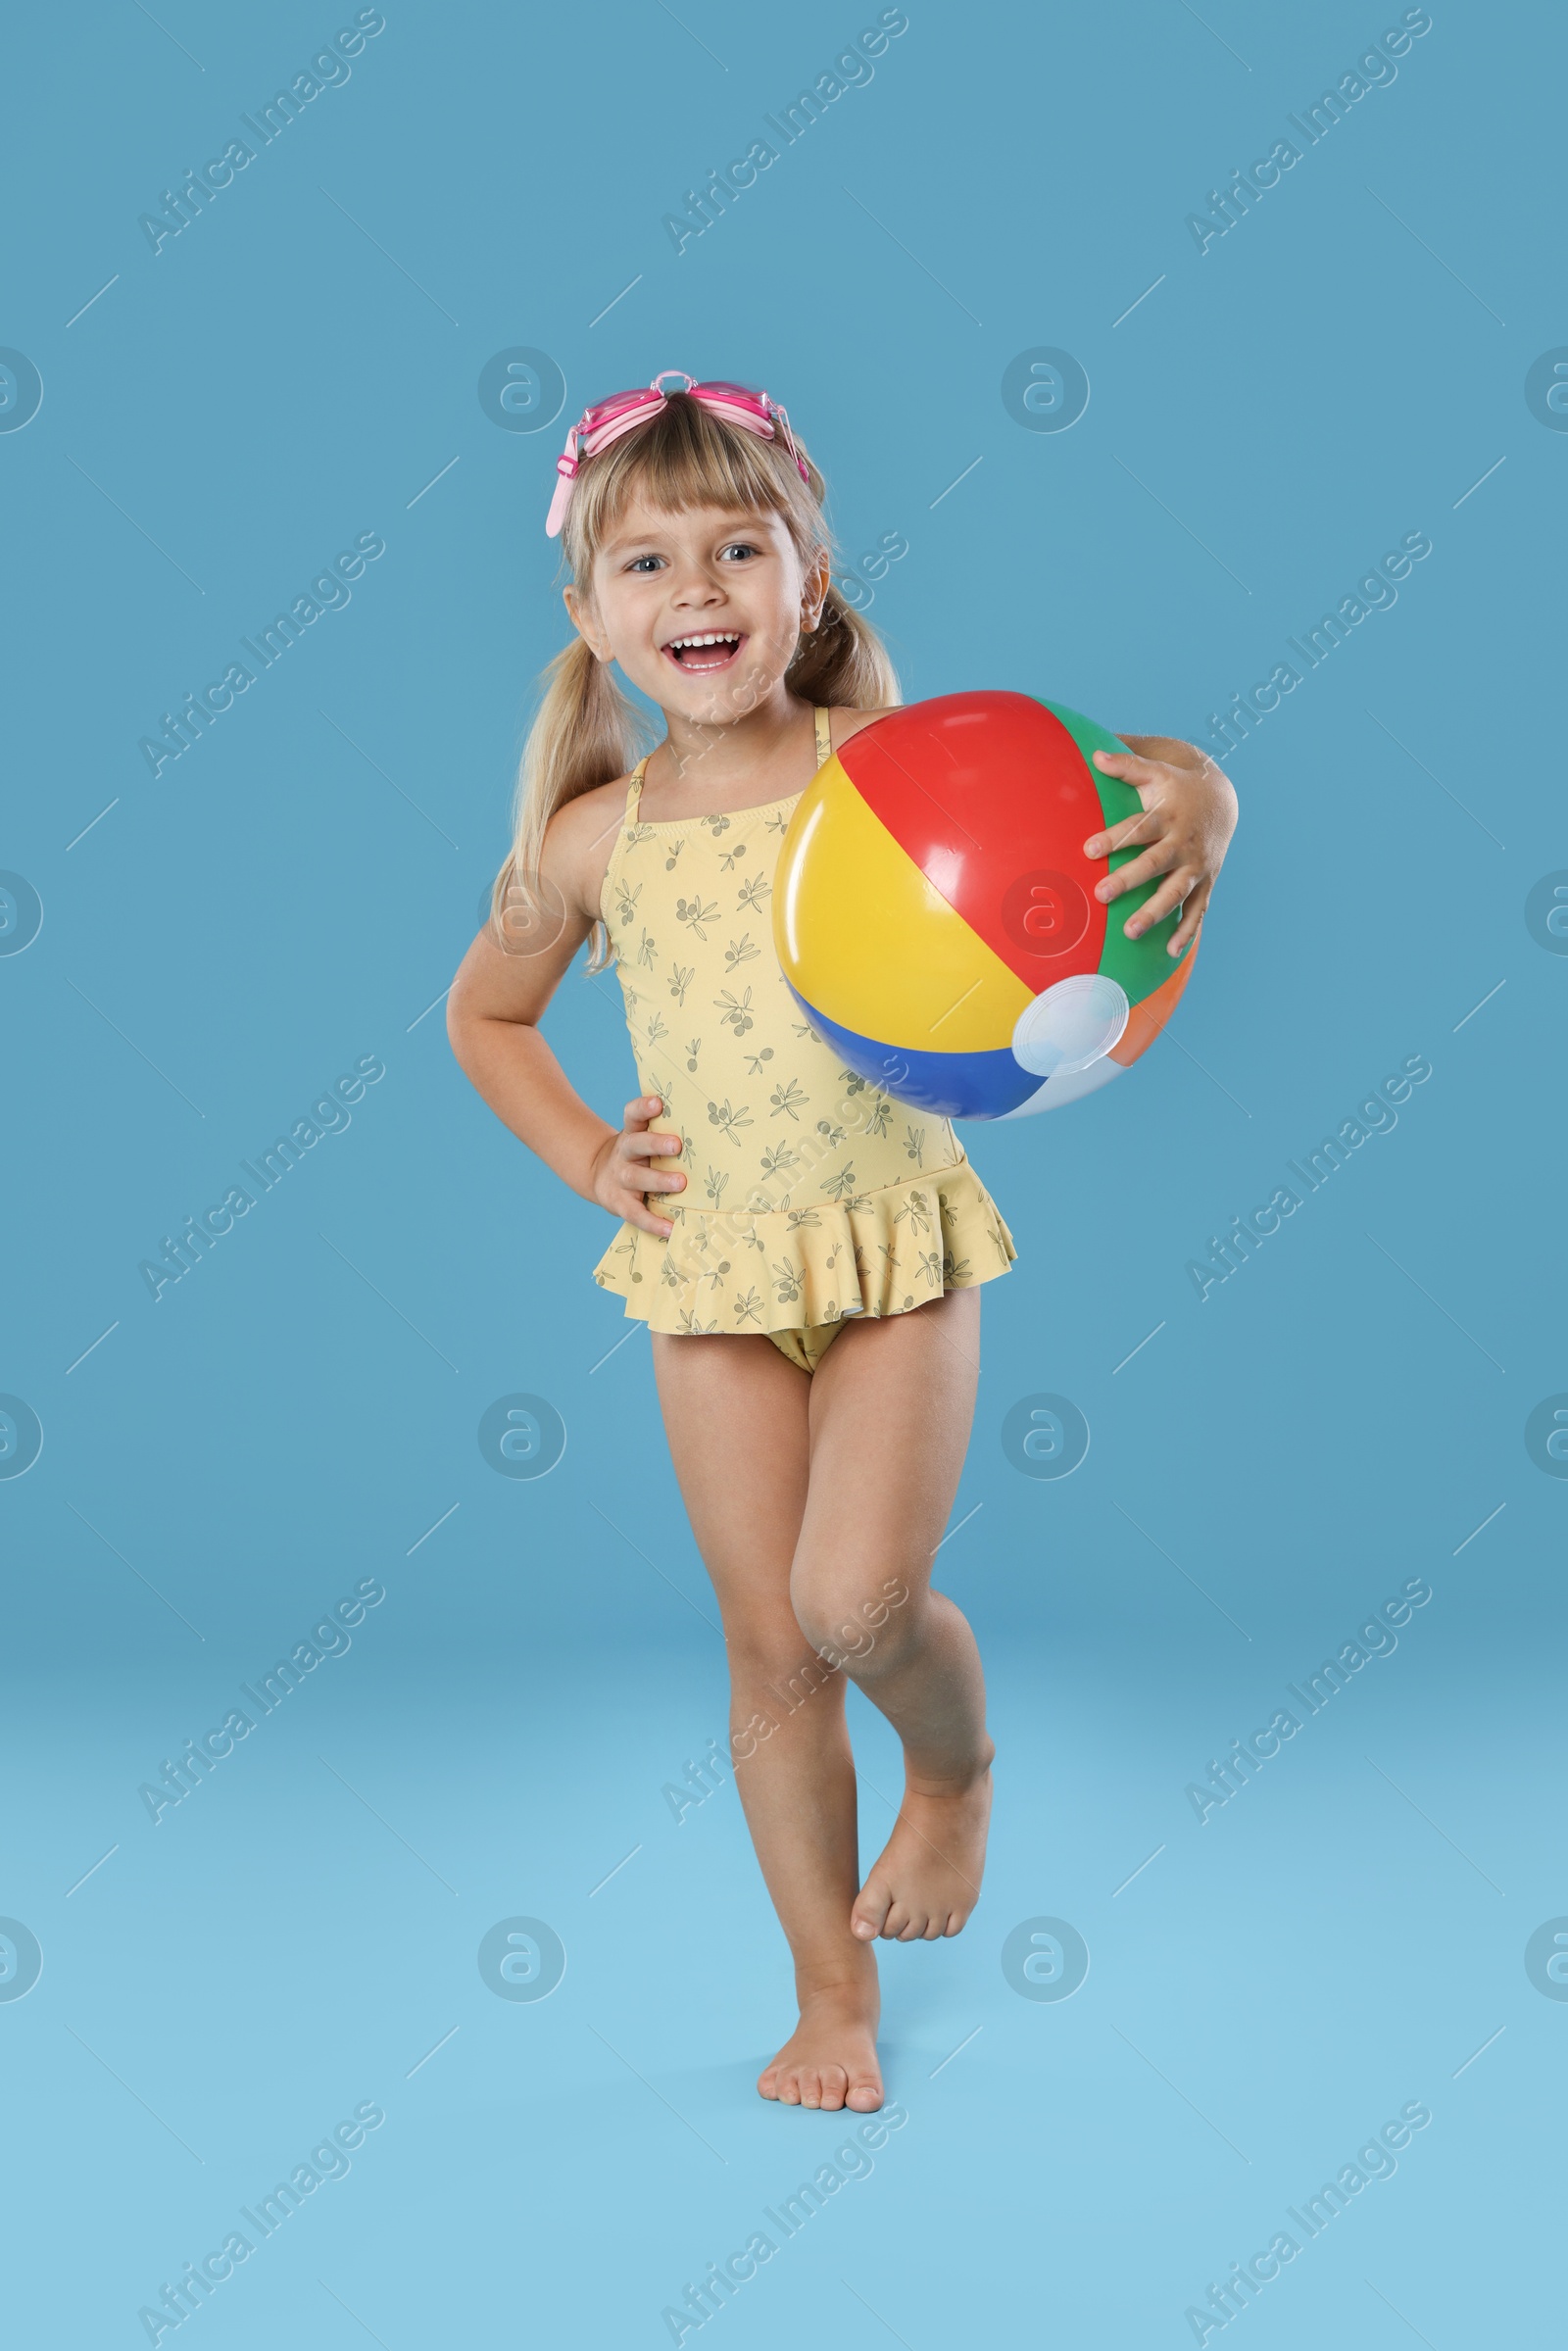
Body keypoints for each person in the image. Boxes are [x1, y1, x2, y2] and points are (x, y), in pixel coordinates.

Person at [447, 372, 1238, 2114]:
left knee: (858, 1600)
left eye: (741, 546)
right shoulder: (591, 843)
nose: (700, 592)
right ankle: (830, 1994)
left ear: (812, 573)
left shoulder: (878, 772)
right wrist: (594, 1157)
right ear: (589, 616)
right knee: (769, 1649)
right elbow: (484, 1018)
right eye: (646, 563)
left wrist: (1204, 804)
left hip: (896, 1252)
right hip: (713, 1282)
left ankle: (950, 1774)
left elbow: (1125, 776)